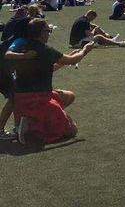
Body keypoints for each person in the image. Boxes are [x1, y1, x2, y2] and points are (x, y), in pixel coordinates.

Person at [8, 18, 96, 147]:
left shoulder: (23, 46)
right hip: (39, 99)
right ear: (40, 32)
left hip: (22, 98)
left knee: (69, 96)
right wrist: (85, 51)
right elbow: (72, 60)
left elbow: (50, 68)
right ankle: (32, 126)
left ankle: (36, 119)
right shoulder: (45, 49)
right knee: (72, 130)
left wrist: (66, 59)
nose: (49, 33)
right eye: (47, 31)